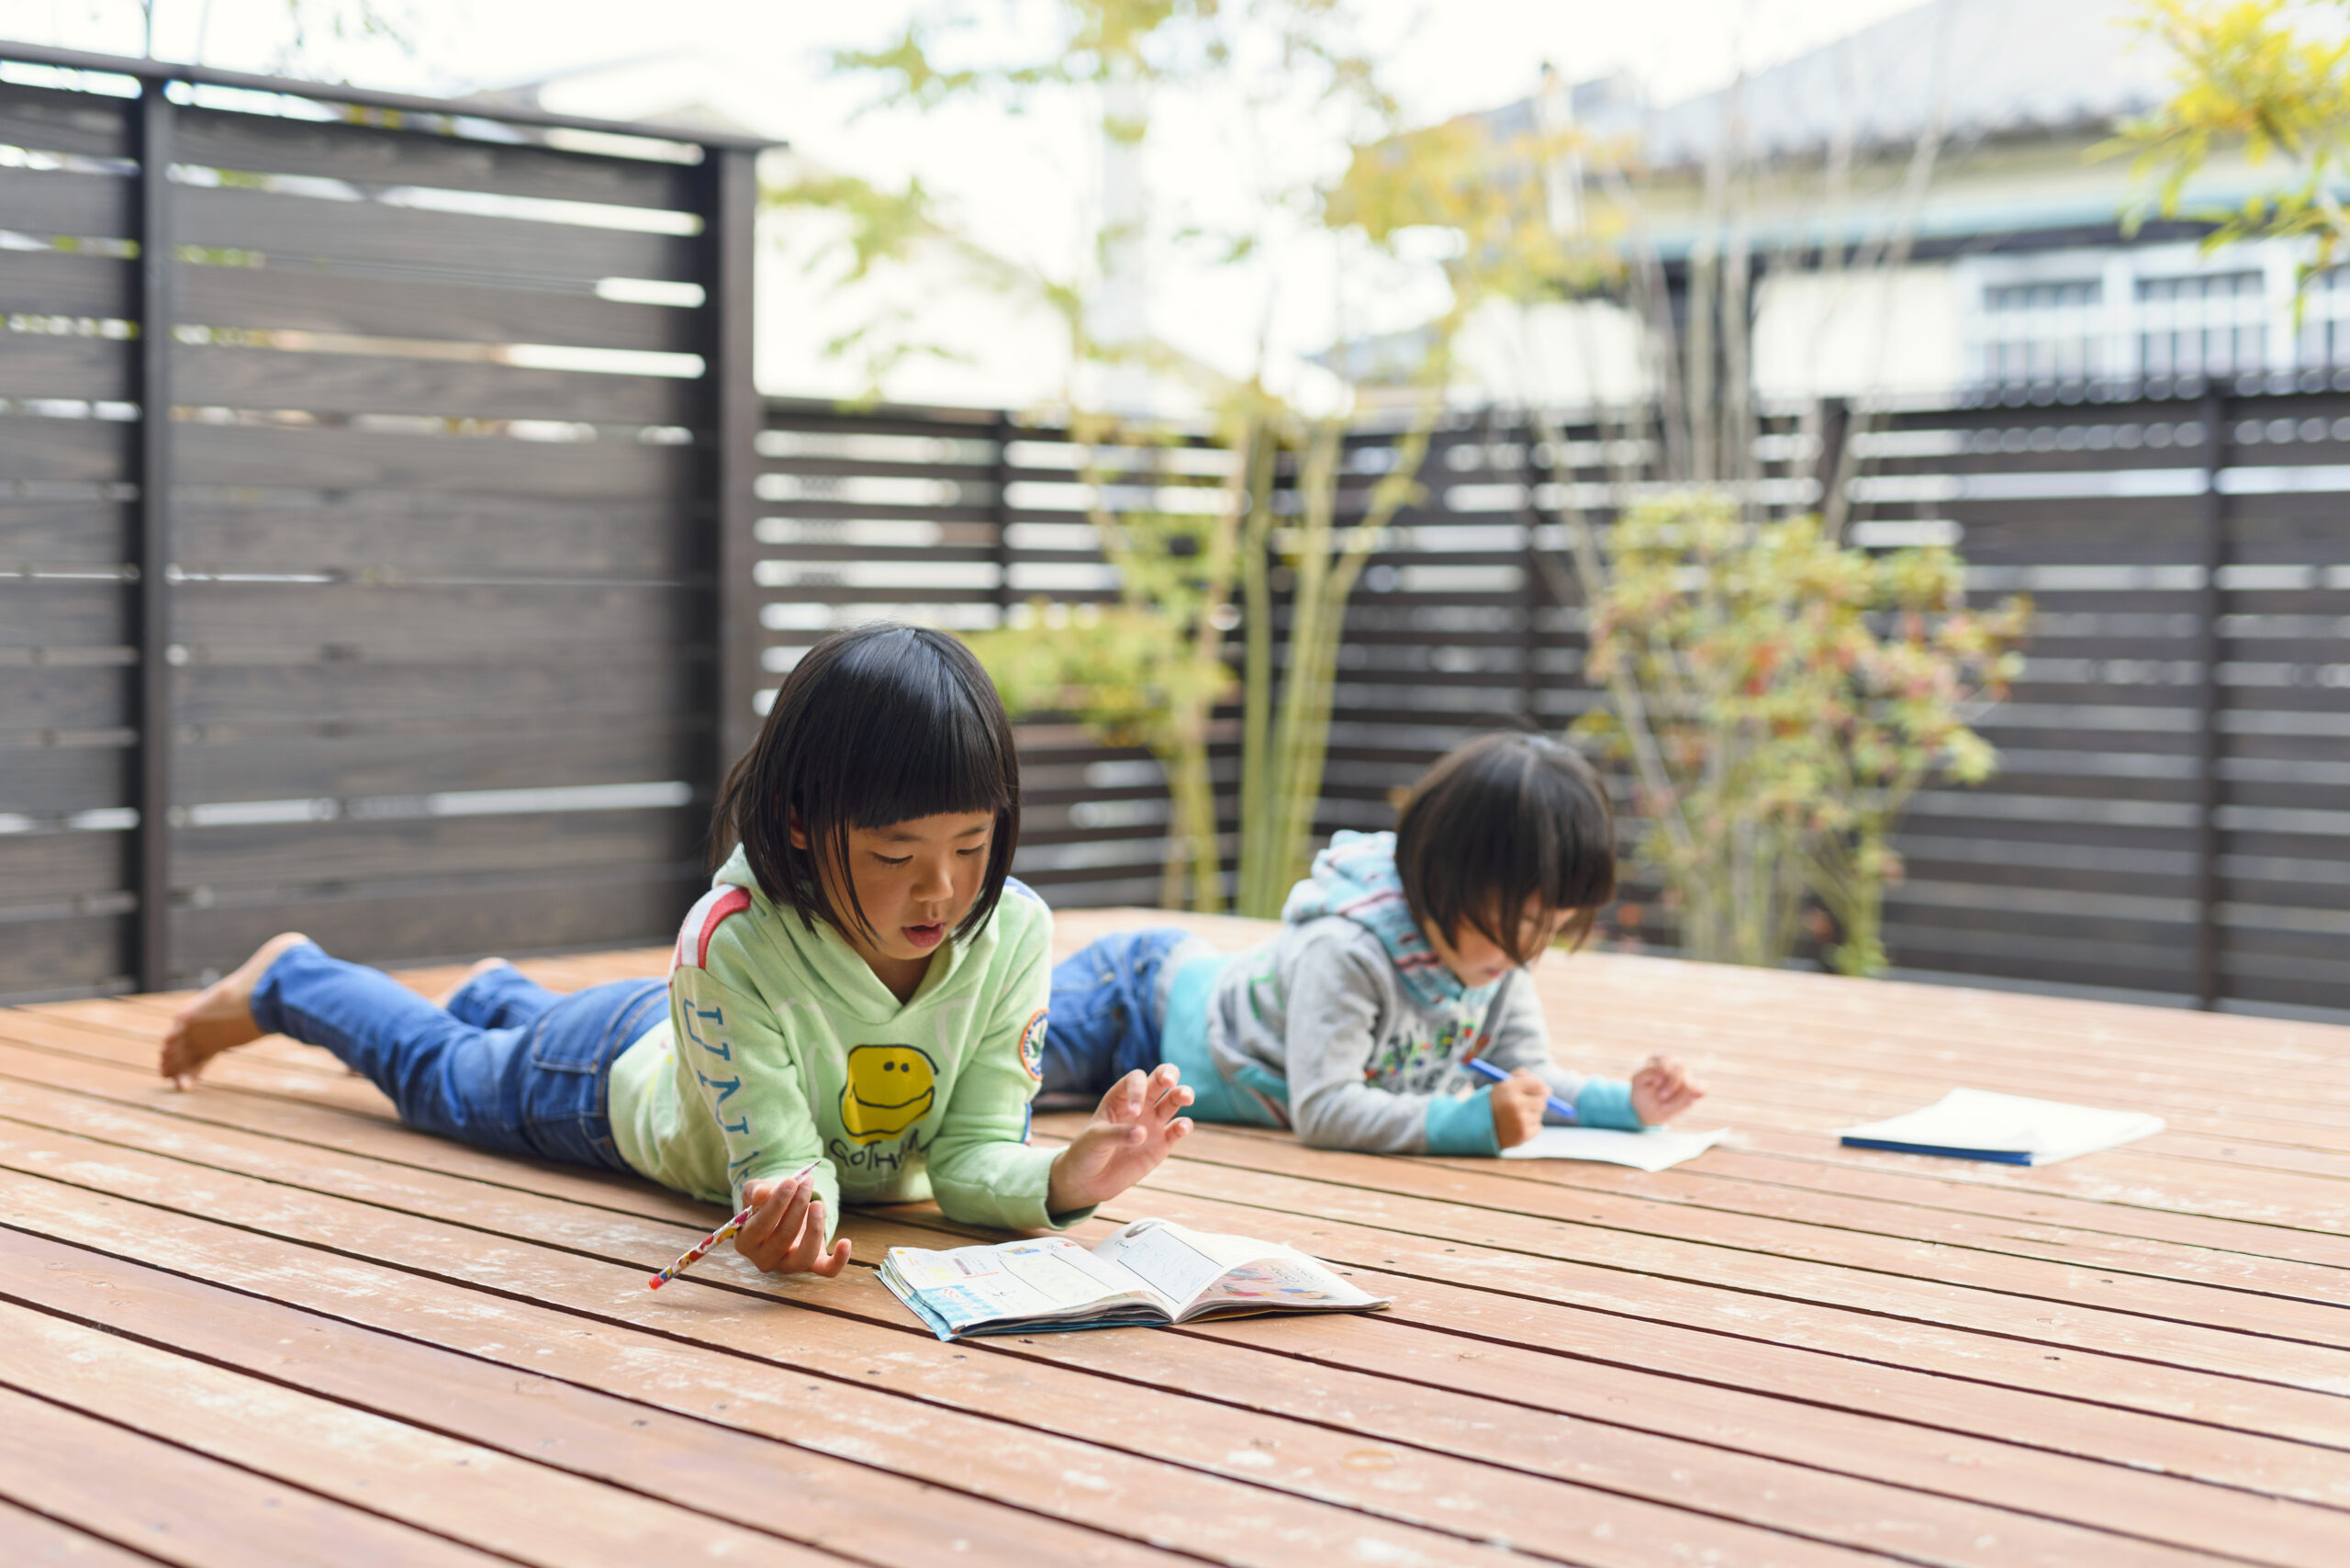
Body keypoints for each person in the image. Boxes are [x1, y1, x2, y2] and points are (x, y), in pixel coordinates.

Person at [158, 623, 1194, 1277]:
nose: (943, 889)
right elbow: (779, 1163)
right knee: (438, 1075)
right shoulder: (730, 940)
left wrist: (1070, 1173)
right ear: (798, 823)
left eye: (971, 845)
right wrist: (787, 1221)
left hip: (678, 1027)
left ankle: (501, 992)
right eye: (896, 853)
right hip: (605, 1083)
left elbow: (969, 1158)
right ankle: (294, 978)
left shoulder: (1011, 929)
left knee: (525, 1029)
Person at [1041, 732, 1706, 1156]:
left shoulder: (1497, 958)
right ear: (1447, 880)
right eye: (1522, 925)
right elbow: (1325, 1109)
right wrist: (1467, 1124)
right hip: (1133, 1006)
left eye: (1551, 930)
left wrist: (1629, 1106)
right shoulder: (1350, 951)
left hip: (1162, 1085)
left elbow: (1526, 1081)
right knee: (1000, 1070)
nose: (1528, 953)